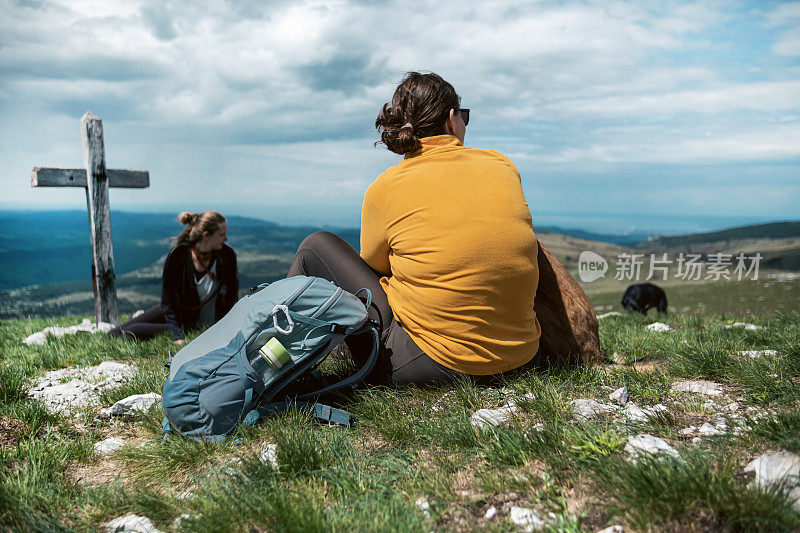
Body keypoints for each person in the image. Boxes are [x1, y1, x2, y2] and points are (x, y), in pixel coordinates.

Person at [288, 71, 541, 385]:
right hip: (521, 357)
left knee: (316, 246)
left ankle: (276, 363)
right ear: (452, 119)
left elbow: (375, 270)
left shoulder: (386, 187)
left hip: (428, 365)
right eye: (464, 116)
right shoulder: (502, 165)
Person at [108, 211, 238, 344]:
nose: (226, 239)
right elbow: (168, 302)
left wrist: (179, 333)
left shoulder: (227, 257)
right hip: (173, 311)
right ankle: (141, 317)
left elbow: (230, 300)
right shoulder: (178, 255)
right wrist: (177, 335)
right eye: (222, 235)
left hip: (190, 322)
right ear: (206, 236)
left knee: (130, 332)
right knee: (113, 334)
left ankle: (145, 320)